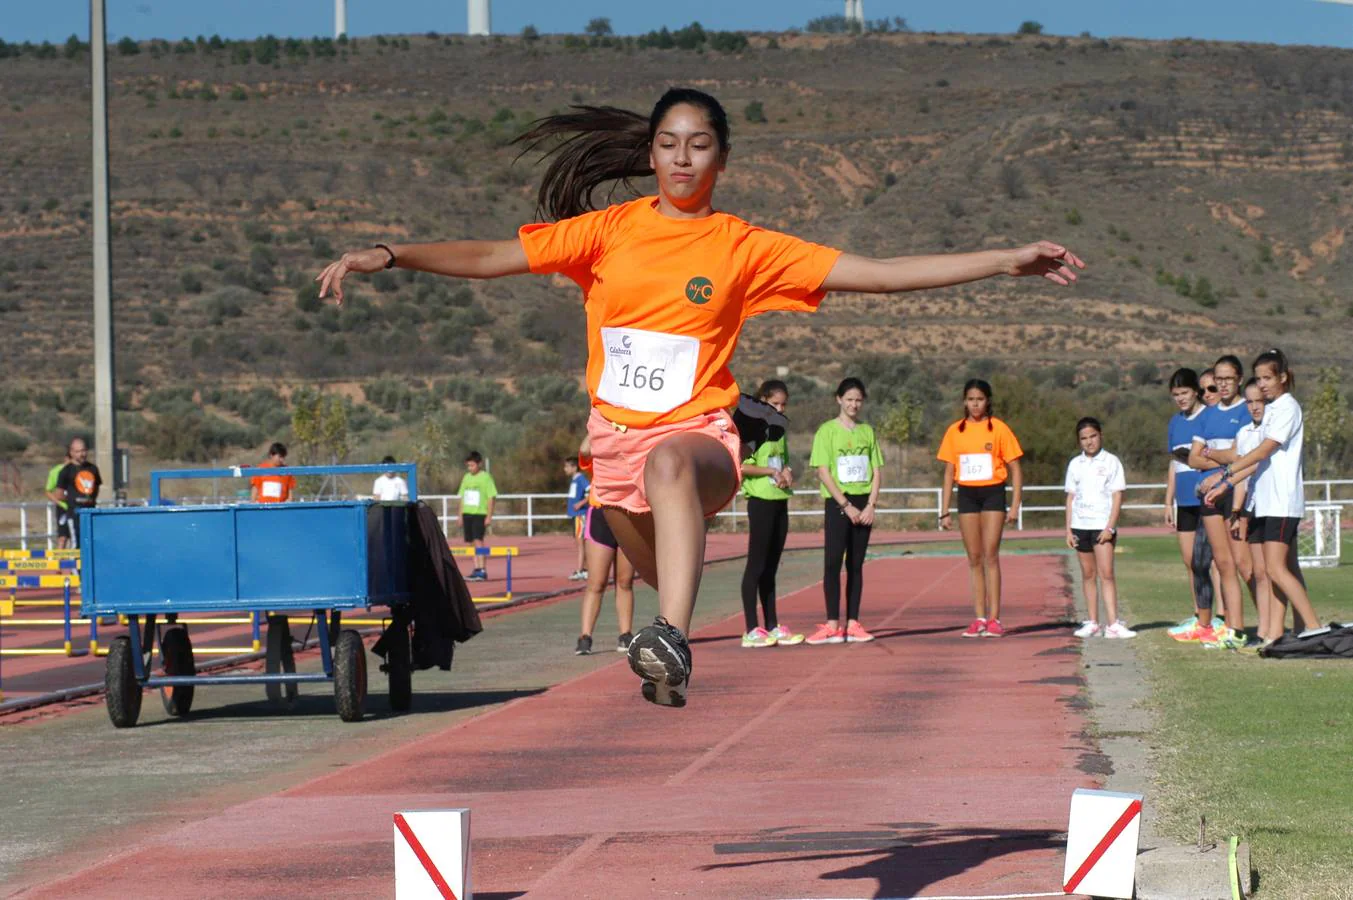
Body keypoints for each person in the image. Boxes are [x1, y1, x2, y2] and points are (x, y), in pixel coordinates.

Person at [316, 87, 1084, 706]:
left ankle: (671, 638)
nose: (682, 158)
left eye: (700, 144)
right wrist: (392, 254)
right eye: (668, 144)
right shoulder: (605, 230)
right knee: (652, 569)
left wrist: (1002, 260)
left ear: (721, 156)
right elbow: (489, 255)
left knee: (671, 476)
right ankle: (667, 653)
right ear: (649, 154)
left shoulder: (745, 246)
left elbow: (879, 271)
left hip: (697, 432)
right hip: (611, 440)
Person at [1202, 349, 1327, 640]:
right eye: (1259, 379)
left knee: (1275, 568)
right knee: (1278, 570)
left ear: (1283, 377)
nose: (1263, 384)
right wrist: (1226, 482)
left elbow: (1263, 451)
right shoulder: (1271, 410)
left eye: (1268, 378)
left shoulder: (1287, 408)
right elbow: (1257, 462)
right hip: (1264, 501)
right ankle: (1274, 634)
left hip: (1282, 500)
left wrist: (1227, 469)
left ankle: (1312, 626)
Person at [937, 379, 1024, 638]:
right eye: (971, 399)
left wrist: (1015, 506)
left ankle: (995, 618)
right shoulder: (955, 431)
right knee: (974, 558)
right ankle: (979, 618)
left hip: (993, 494)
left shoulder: (998, 429)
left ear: (988, 401)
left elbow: (1016, 469)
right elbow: (949, 472)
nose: (975, 403)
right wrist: (944, 510)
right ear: (965, 401)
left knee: (991, 555)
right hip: (967, 495)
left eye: (980, 399)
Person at [806, 378, 883, 645]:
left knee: (856, 565)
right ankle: (832, 625)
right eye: (849, 399)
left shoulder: (867, 432)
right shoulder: (826, 431)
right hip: (839, 503)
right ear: (839, 399)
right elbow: (823, 471)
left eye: (858, 400)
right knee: (832, 563)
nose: (854, 404)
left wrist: (871, 505)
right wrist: (845, 505)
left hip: (864, 504)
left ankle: (853, 623)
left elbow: (876, 470)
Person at [1187, 355, 1250, 647]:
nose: (1223, 385)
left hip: (1235, 492)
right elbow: (1192, 457)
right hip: (1209, 496)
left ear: (1239, 379)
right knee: (1223, 564)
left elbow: (1241, 456)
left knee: (1244, 565)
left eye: (1228, 379)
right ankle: (1232, 629)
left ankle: (1268, 626)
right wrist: (1219, 456)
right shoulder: (1209, 414)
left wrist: (1214, 458)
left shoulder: (1246, 411)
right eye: (1218, 380)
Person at [739, 379, 803, 648]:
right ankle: (751, 629)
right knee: (756, 565)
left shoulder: (780, 429)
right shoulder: (751, 428)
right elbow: (741, 464)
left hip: (780, 500)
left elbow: (783, 461)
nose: (779, 408)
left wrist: (787, 472)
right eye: (774, 403)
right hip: (760, 501)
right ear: (762, 400)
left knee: (771, 567)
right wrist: (770, 472)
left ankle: (773, 625)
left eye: (783, 404)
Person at [1162, 369, 1220, 643]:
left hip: (1208, 496)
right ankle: (1200, 616)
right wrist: (1168, 500)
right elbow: (1174, 463)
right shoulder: (1174, 422)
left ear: (1196, 391)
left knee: (1216, 562)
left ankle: (1222, 617)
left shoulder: (1208, 416)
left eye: (1184, 393)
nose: (1180, 399)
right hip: (1184, 500)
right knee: (1191, 563)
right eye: (1175, 395)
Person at [1065, 418, 1134, 639]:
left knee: (1106, 574)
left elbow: (1117, 496)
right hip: (1080, 525)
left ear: (1100, 435)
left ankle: (1113, 623)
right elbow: (1070, 498)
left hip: (1102, 526)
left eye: (1092, 436)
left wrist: (1110, 527)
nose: (1089, 442)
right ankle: (1092, 622)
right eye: (1084, 438)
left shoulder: (1112, 461)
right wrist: (1068, 529)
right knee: (1087, 574)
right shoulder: (1075, 464)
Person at [1227, 378, 1278, 645]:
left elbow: (1252, 466)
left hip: (1276, 505)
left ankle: (1291, 628)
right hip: (1253, 507)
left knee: (1277, 571)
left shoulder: (1273, 430)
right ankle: (1263, 632)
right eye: (1250, 401)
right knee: (1258, 573)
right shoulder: (1245, 432)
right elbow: (1242, 479)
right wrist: (1237, 512)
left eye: (1260, 401)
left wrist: (1224, 478)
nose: (1255, 407)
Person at [575, 437, 635, 655]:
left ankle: (625, 634)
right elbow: (584, 448)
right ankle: (585, 636)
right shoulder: (597, 459)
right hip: (601, 516)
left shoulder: (633, 457)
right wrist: (602, 416)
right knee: (596, 582)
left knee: (625, 581)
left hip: (629, 516)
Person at [457, 451, 497, 581]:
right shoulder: (466, 477)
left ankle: (482, 569)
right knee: (470, 542)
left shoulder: (486, 477)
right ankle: (475, 568)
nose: (470, 468)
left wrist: (489, 516)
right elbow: (462, 497)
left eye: (472, 465)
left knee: (478, 540)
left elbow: (491, 497)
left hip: (480, 513)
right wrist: (460, 515)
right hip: (467, 513)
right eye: (468, 466)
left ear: (479, 464)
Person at [53, 438, 100, 549]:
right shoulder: (66, 471)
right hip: (74, 514)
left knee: (92, 542)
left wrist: (89, 499)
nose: (82, 454)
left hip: (91, 512)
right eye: (78, 451)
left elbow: (96, 488)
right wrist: (73, 499)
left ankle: (89, 566)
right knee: (77, 543)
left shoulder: (93, 469)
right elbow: (58, 494)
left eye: (84, 450)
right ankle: (76, 566)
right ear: (72, 452)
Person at [564, 457, 591, 581]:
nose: (565, 469)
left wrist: (581, 503)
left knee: (581, 543)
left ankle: (581, 570)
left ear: (574, 467)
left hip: (580, 515)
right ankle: (585, 569)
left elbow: (591, 491)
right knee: (578, 543)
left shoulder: (580, 479)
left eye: (567, 466)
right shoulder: (574, 480)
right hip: (574, 516)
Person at [44, 446, 72, 549]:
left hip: (77, 507)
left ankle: (77, 562)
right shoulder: (55, 471)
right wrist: (59, 502)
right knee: (62, 537)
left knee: (77, 536)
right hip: (63, 508)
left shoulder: (79, 471)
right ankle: (60, 562)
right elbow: (48, 491)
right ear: (66, 458)